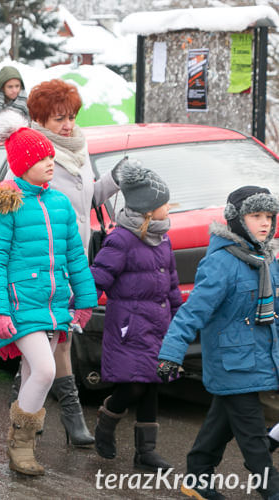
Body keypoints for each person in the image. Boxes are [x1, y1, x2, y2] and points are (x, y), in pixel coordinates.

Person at [0, 114, 96, 476]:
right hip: (19, 304)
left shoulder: (59, 204)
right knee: (44, 368)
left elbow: (75, 255)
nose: (50, 164)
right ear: (23, 165)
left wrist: (85, 300)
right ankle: (20, 443)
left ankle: (22, 443)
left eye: (51, 158)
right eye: (42, 159)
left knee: (31, 373)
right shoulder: (4, 206)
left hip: (53, 305)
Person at [158, 186, 279, 500]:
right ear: (237, 219)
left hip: (259, 357)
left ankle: (197, 477)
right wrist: (172, 352)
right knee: (254, 439)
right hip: (232, 361)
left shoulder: (266, 259)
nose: (265, 223)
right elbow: (193, 311)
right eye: (256, 216)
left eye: (269, 216)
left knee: (222, 421)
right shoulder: (221, 263)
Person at [19, 78, 121, 447]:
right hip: (42, 257)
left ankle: (30, 411)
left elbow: (87, 196)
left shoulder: (78, 147)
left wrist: (115, 179)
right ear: (40, 118)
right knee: (53, 341)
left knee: (55, 340)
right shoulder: (33, 151)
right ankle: (69, 418)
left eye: (72, 117)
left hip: (73, 255)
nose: (68, 125)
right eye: (59, 118)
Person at [89, 161, 179, 471]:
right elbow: (99, 276)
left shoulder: (163, 238)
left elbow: (171, 284)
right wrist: (75, 302)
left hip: (159, 326)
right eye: (164, 203)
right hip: (129, 326)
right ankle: (107, 418)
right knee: (134, 385)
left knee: (152, 383)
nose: (169, 207)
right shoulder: (122, 239)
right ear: (147, 209)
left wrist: (178, 319)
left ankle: (146, 452)